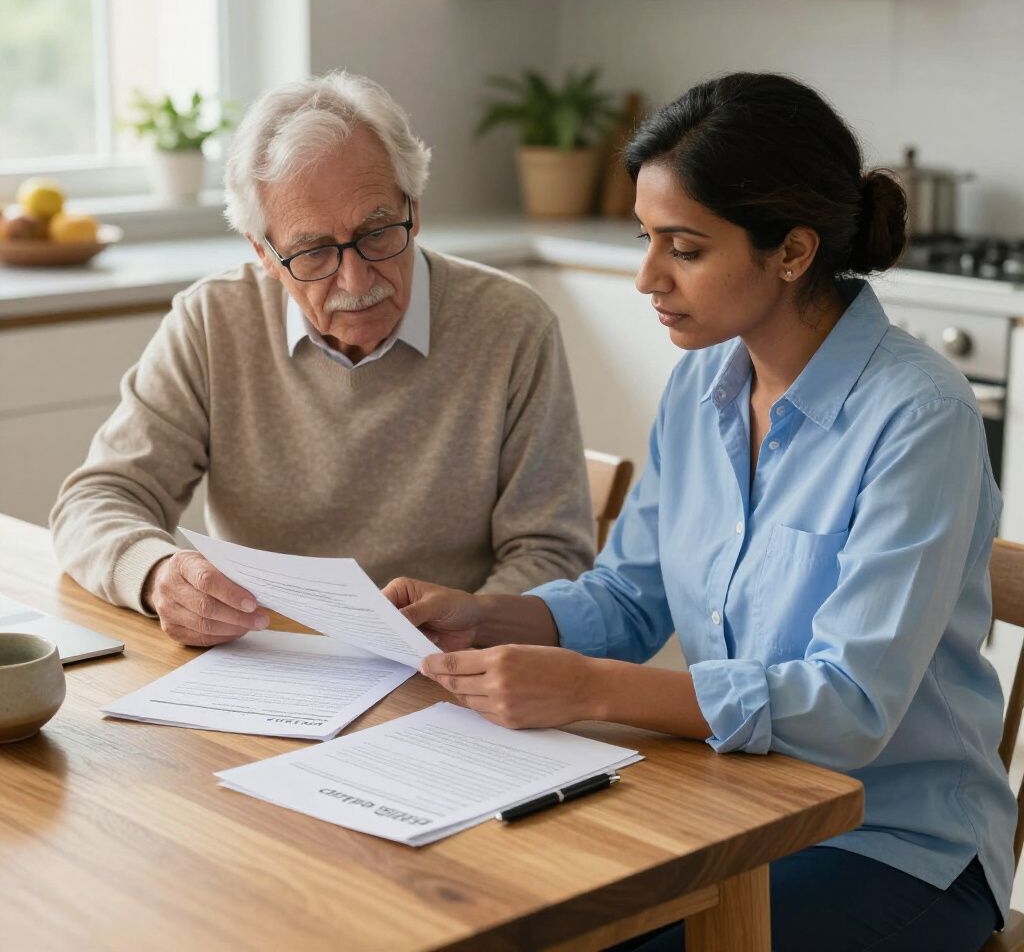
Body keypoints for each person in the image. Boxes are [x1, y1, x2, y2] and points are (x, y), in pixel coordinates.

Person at [383, 72, 1015, 951]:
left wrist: (594, 689)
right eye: (647, 238)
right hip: (729, 804)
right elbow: (632, 597)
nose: (648, 276)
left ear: (791, 252)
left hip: (897, 844)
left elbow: (851, 705)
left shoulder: (919, 416)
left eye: (683, 247)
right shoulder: (700, 387)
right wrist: (486, 616)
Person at [50, 71, 594, 647]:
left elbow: (552, 552)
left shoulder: (512, 326)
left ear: (415, 207)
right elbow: (97, 499)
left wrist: (469, 628)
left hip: (449, 671)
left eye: (379, 232)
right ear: (263, 252)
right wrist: (158, 574)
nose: (356, 280)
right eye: (312, 252)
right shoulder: (212, 321)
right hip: (264, 662)